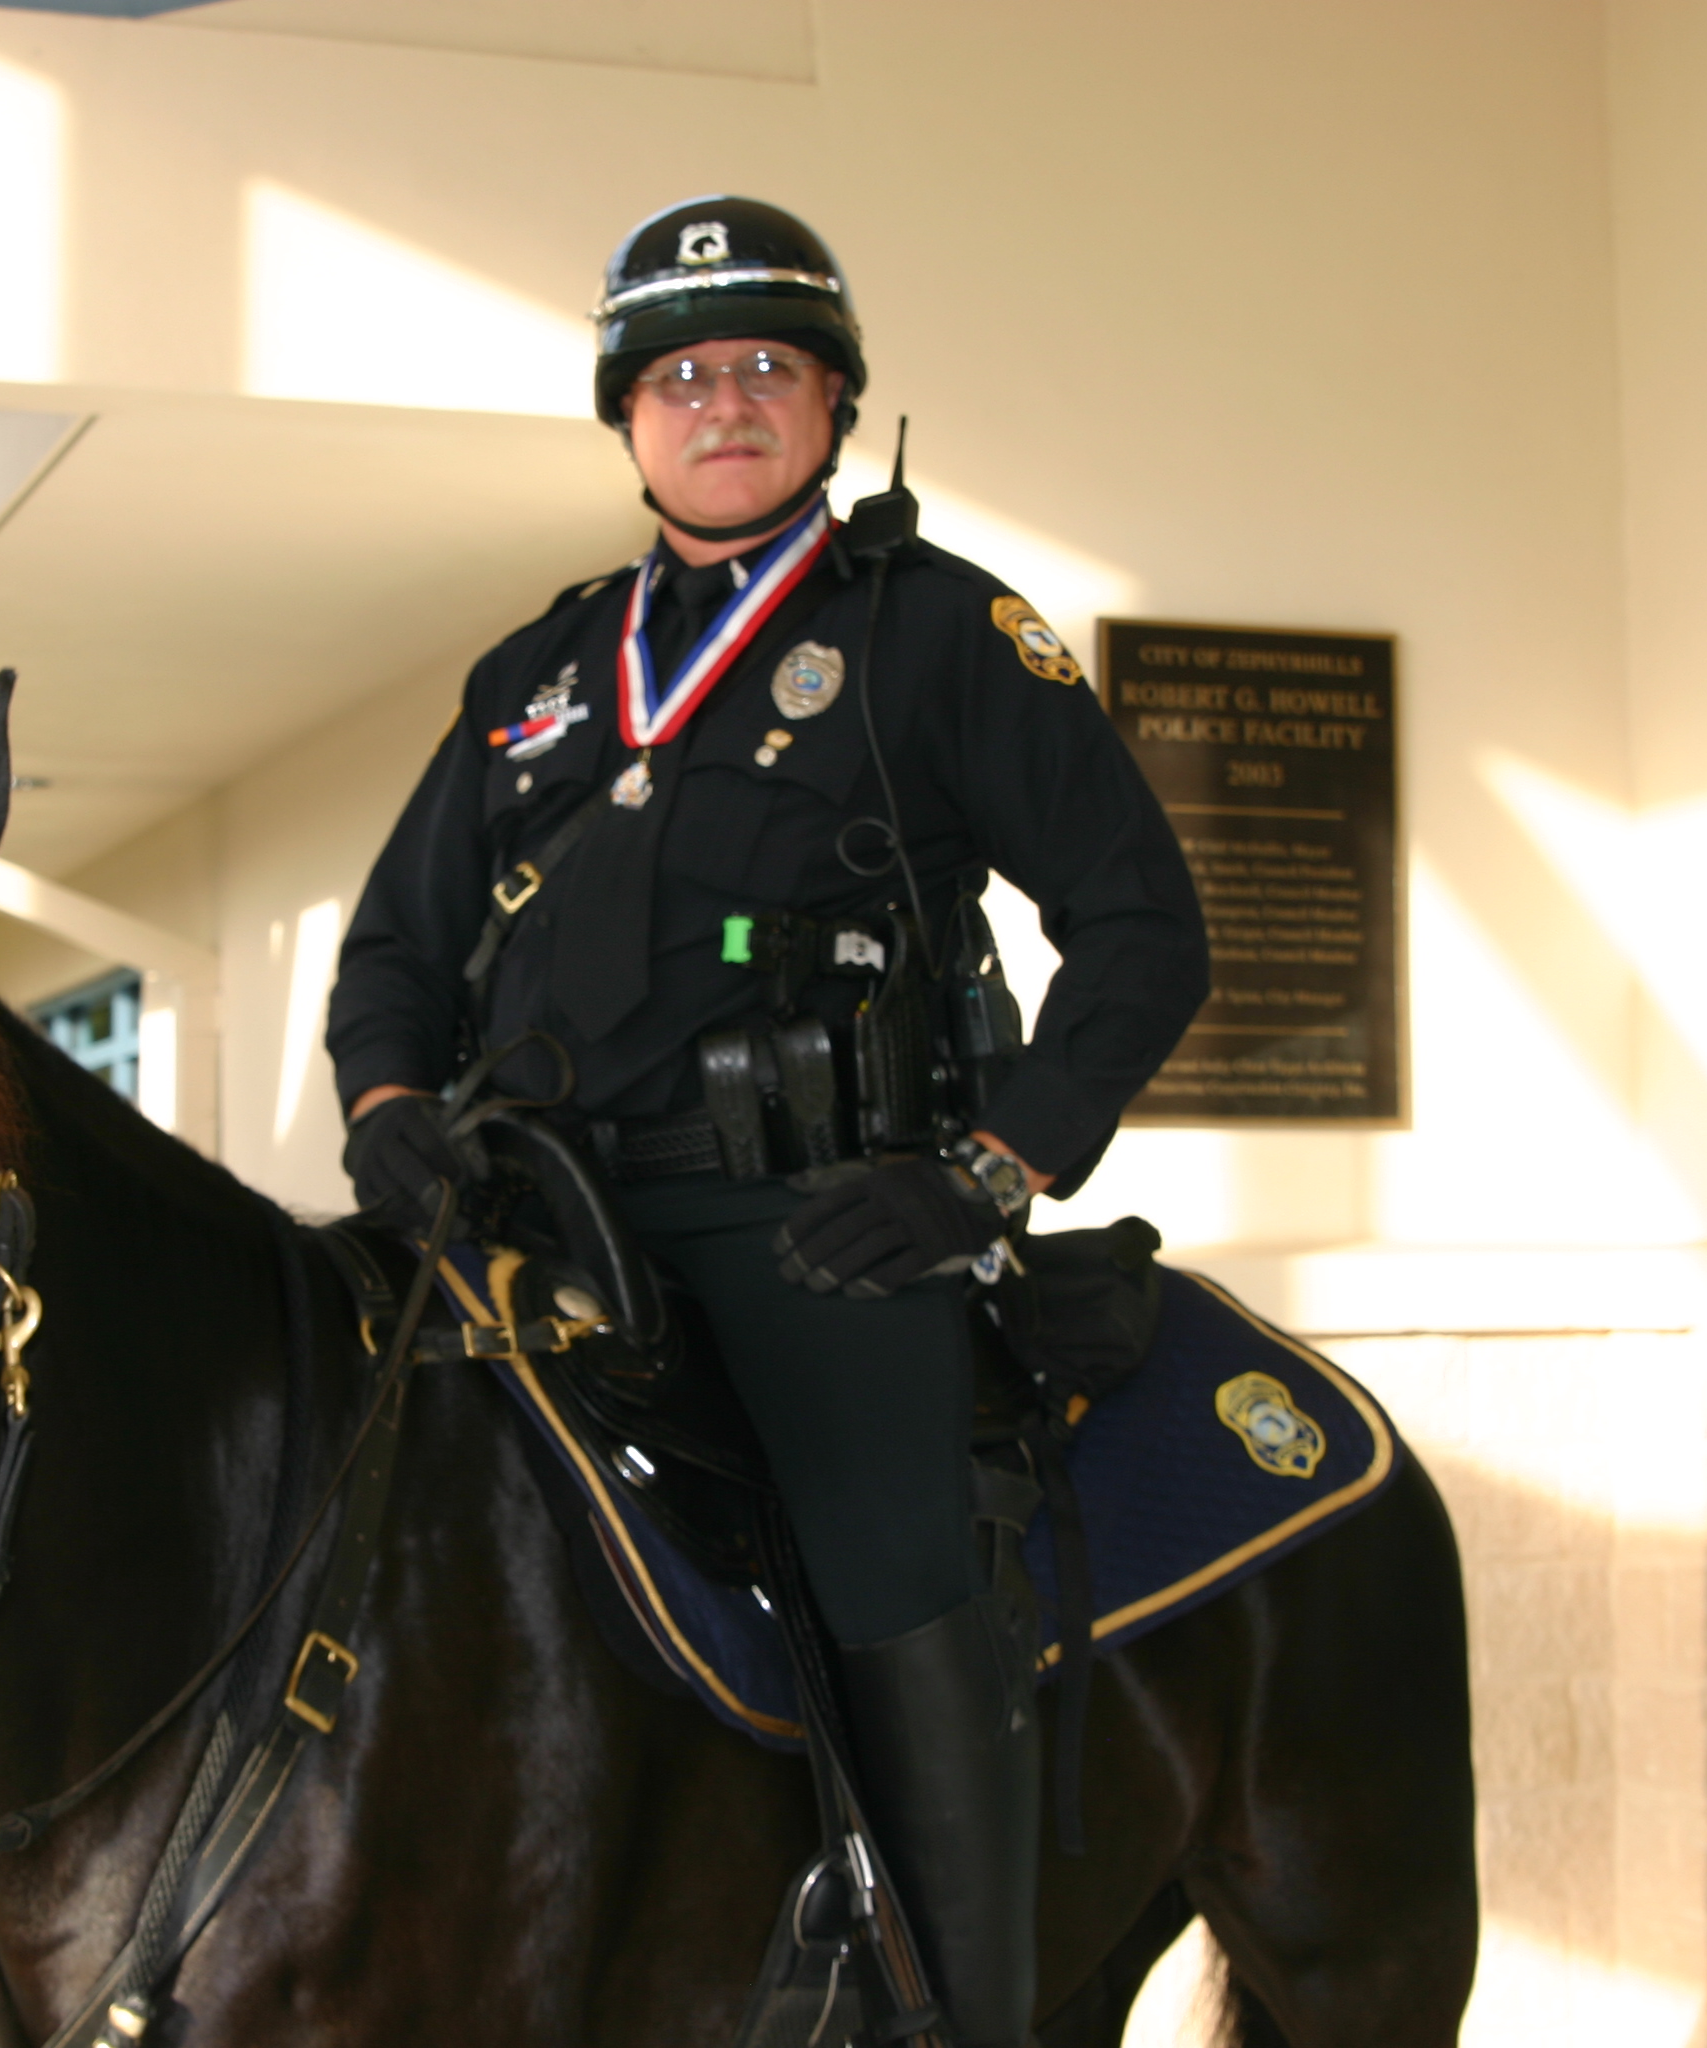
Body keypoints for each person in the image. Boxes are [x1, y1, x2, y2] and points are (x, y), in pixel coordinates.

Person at [325, 196, 1207, 2047]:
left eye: (764, 368)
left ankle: (962, 2007)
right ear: (628, 420)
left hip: (811, 1222)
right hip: (527, 1215)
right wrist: (392, 1109)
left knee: (890, 1558)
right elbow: (397, 949)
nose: (721, 403)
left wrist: (982, 1174)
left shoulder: (943, 632)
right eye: (679, 376)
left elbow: (1145, 934)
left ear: (828, 404)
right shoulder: (538, 675)